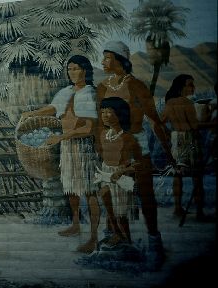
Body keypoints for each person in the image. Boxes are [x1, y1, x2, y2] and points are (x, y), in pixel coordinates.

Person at [96, 41, 175, 270]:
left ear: (121, 59)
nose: (103, 62)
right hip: (112, 143)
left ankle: (154, 242)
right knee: (112, 192)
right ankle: (124, 241)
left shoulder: (137, 86)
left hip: (136, 144)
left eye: (108, 57)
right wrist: (102, 148)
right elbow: (100, 123)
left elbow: (155, 120)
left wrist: (169, 153)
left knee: (145, 193)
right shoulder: (102, 88)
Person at [21, 55, 100, 253]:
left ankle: (94, 237)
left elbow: (89, 127)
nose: (72, 72)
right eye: (70, 69)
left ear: (85, 70)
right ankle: (75, 224)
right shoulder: (66, 91)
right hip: (66, 145)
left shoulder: (90, 93)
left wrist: (62, 137)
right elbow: (54, 108)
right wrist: (33, 114)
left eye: (76, 68)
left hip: (83, 146)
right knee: (71, 187)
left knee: (89, 190)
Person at [161, 74, 208, 220]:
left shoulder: (169, 103)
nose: (193, 87)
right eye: (190, 84)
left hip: (176, 138)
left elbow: (160, 122)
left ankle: (177, 209)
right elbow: (194, 126)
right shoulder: (187, 103)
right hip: (190, 139)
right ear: (182, 86)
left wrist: (169, 134)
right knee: (197, 176)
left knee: (177, 174)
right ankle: (199, 212)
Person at [96, 97, 141, 246]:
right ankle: (115, 235)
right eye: (103, 112)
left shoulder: (127, 138)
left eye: (109, 112)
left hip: (121, 177)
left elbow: (137, 163)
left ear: (120, 114)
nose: (105, 115)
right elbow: (103, 155)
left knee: (120, 212)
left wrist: (122, 171)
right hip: (106, 173)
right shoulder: (103, 134)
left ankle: (127, 241)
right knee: (107, 202)